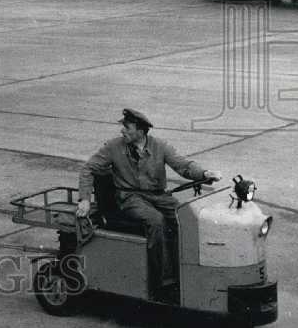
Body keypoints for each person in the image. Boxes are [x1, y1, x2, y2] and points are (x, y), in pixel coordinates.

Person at [76, 108, 221, 296]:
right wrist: (85, 200)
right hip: (129, 197)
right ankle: (159, 281)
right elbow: (88, 169)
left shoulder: (160, 146)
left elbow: (183, 165)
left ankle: (186, 270)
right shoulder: (113, 147)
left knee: (185, 217)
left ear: (141, 131)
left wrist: (204, 173)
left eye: (127, 127)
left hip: (158, 196)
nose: (122, 131)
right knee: (155, 221)